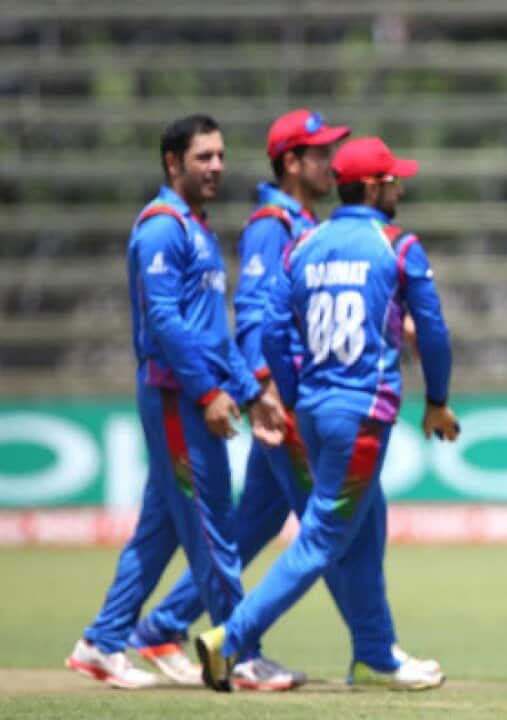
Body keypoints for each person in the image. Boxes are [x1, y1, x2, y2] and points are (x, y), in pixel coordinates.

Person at [195, 136, 458, 693]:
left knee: (367, 527)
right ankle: (230, 639)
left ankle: (373, 654)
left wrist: (290, 393)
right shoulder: (396, 244)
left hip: (312, 410)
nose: (400, 187)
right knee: (319, 539)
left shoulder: (306, 244)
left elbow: (272, 326)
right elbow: (431, 329)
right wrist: (437, 400)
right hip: (360, 413)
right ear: (371, 186)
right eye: (393, 180)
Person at [125, 109, 349, 690]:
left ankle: (161, 628)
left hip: (279, 396)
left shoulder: (300, 219)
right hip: (282, 398)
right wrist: (256, 388)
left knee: (249, 524)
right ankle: (370, 649)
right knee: (332, 527)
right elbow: (248, 313)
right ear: (291, 162)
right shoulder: (273, 224)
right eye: (320, 153)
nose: (332, 162)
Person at [66, 114, 287, 689]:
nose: (216, 166)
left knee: (161, 530)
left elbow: (213, 330)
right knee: (213, 528)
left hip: (195, 394)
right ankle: (238, 652)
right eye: (202, 157)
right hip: (176, 398)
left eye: (219, 155)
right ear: (172, 163)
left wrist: (250, 391)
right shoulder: (162, 227)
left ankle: (102, 642)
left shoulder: (194, 227)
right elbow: (164, 322)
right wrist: (211, 392)